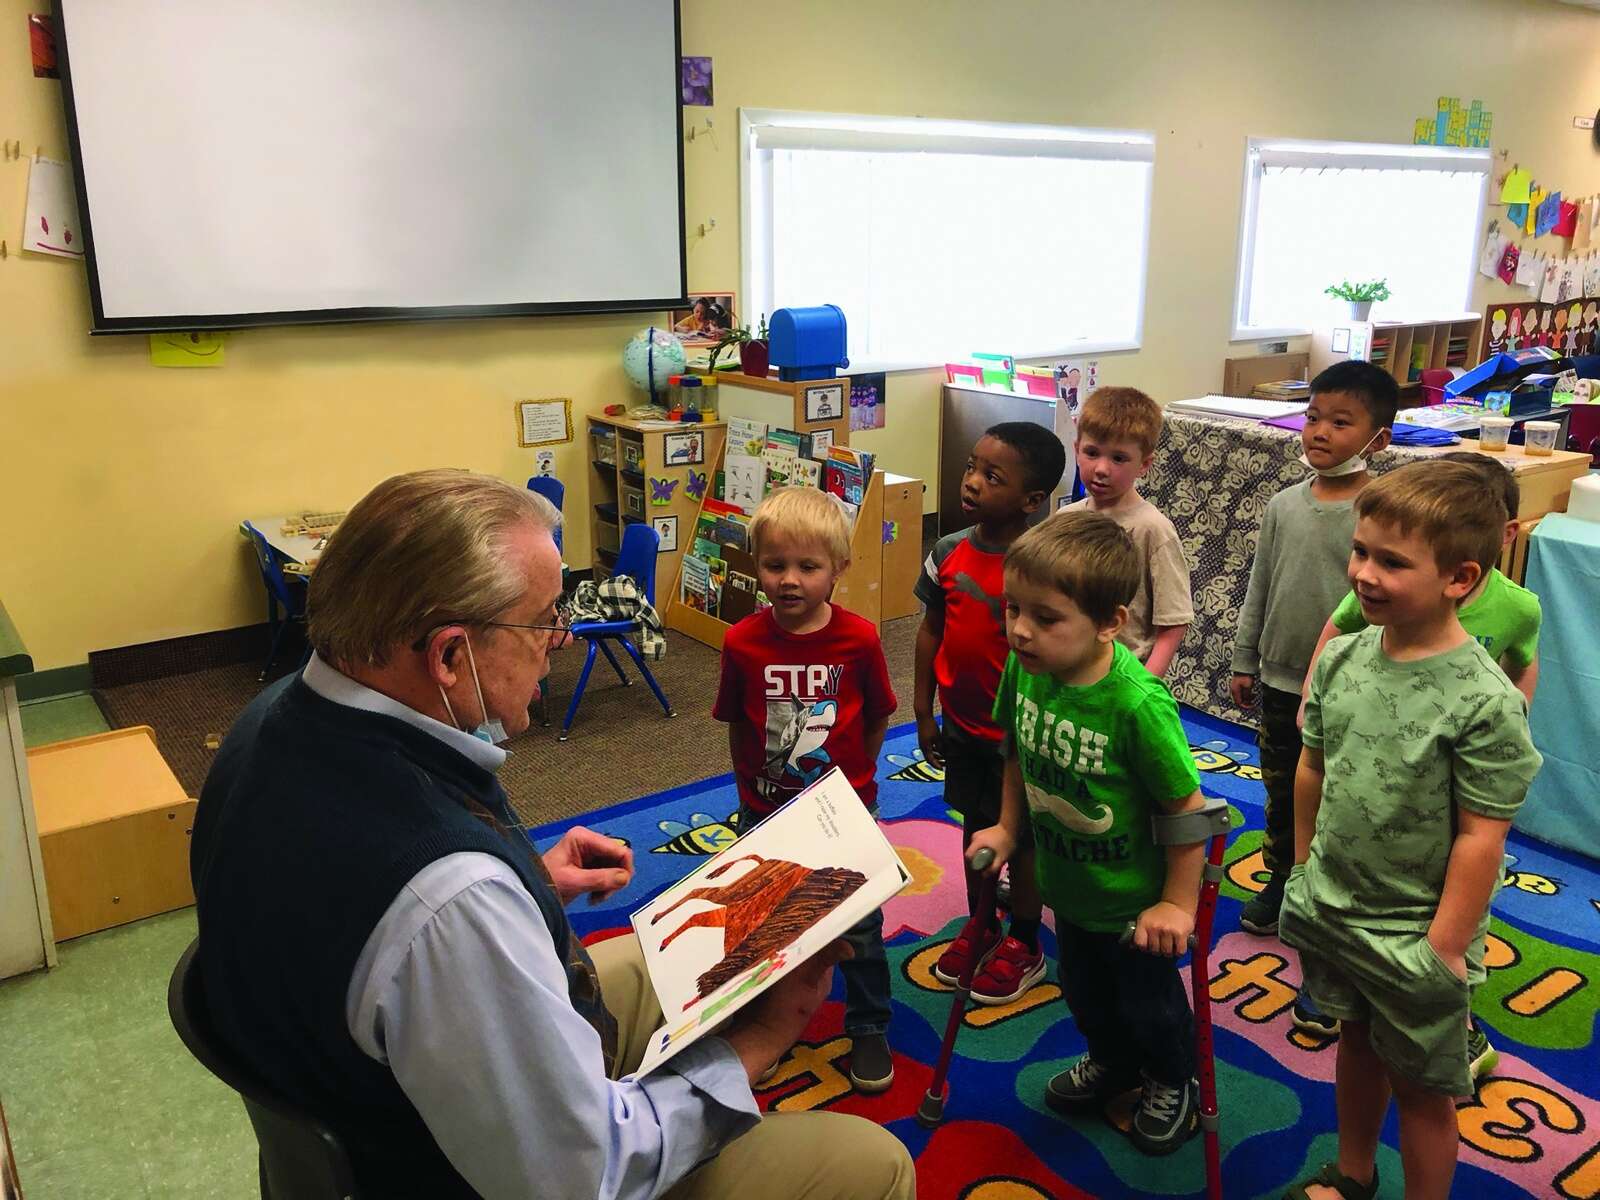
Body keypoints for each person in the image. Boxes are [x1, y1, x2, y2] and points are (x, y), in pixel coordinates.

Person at [190, 469, 913, 1200]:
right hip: (468, 1172)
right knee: (874, 1165)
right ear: (447, 655)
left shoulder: (271, 720)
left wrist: (525, 880)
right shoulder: (451, 903)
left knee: (696, 947)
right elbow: (583, 1176)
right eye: (541, 620)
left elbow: (367, 904)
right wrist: (759, 1041)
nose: (562, 638)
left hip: (367, 1090)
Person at [1280, 461, 1541, 1200]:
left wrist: (1445, 948)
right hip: (1336, 901)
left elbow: (1482, 835)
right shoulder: (1342, 657)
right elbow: (1313, 771)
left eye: (1391, 561)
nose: (1362, 572)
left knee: (1425, 1089)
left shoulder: (1484, 700)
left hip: (1416, 930)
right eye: (1361, 551)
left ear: (1459, 578)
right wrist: (1303, 871)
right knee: (1356, 1043)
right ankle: (1353, 1175)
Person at [967, 510, 1209, 1157]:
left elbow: (1190, 810)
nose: (1019, 630)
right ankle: (1113, 1060)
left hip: (1135, 904)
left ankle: (1169, 1077)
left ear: (1109, 624)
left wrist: (1177, 904)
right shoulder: (1027, 669)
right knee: (1085, 993)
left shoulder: (1136, 703)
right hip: (1068, 884)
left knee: (1149, 1006)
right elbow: (1016, 753)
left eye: (1045, 618)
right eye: (1013, 608)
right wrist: (1007, 825)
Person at [1227, 361, 1398, 1043]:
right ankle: (1281, 880)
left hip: (1349, 690)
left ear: (1377, 437)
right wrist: (1245, 659)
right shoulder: (1282, 506)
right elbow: (1259, 586)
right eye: (1313, 417)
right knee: (1279, 792)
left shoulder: (1383, 513)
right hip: (1278, 679)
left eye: (1340, 421)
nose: (1319, 432)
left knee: (1335, 807)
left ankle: (1326, 917)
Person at [713, 486, 900, 1094]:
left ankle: (869, 1023)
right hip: (764, 811)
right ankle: (762, 1023)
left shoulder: (860, 639)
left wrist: (856, 785)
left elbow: (876, 716)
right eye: (775, 565)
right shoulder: (742, 641)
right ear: (756, 564)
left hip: (844, 810)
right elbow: (739, 722)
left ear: (838, 570)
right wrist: (751, 799)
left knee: (859, 926)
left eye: (807, 567)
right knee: (764, 920)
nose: (789, 580)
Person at [915, 422, 1065, 1005]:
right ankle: (984, 922)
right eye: (972, 467)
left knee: (1021, 842)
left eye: (992, 476)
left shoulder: (1040, 563)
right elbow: (929, 633)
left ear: (1031, 500)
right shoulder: (947, 550)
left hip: (1021, 737)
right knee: (973, 826)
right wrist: (924, 714)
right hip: (962, 726)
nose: (972, 482)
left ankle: (1024, 940)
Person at [1062, 387, 1193, 677]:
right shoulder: (1065, 519)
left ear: (1144, 464)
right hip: (1069, 669)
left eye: (1119, 458)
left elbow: (1173, 620)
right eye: (1092, 453)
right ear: (1076, 450)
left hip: (1124, 676)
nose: (1102, 469)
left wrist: (1147, 682)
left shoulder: (1153, 530)